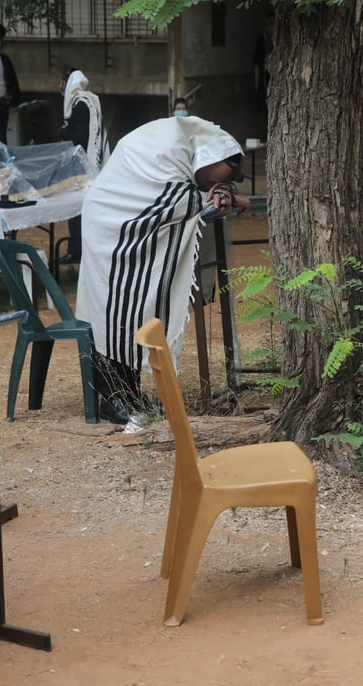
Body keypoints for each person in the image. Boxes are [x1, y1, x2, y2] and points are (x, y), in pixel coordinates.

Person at [76, 115, 247, 424]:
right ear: (205, 159)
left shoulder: (186, 145)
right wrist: (232, 198)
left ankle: (129, 392)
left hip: (126, 226)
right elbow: (173, 200)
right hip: (110, 223)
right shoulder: (166, 150)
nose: (208, 185)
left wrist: (221, 190)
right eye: (210, 180)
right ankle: (113, 398)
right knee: (113, 308)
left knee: (134, 307)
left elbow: (196, 193)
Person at [60, 66, 109, 263]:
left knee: (78, 210)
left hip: (84, 166)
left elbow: (80, 137)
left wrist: (63, 132)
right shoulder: (89, 100)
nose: (61, 87)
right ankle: (79, 249)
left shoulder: (81, 104)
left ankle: (77, 250)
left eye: (63, 83)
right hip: (83, 165)